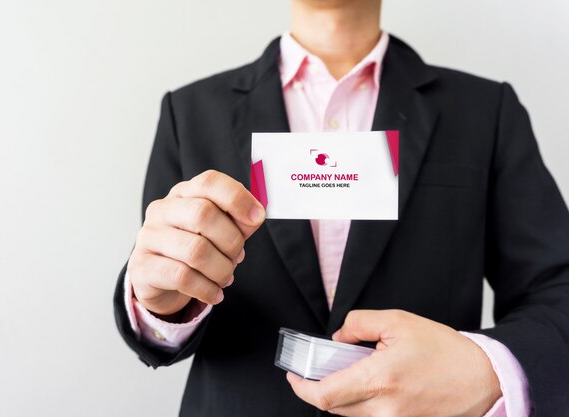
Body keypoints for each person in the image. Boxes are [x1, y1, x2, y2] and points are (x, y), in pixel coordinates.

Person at [113, 0, 569, 416]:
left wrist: (486, 368)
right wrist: (160, 306)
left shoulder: (484, 111)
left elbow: (558, 290)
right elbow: (165, 287)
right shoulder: (189, 112)